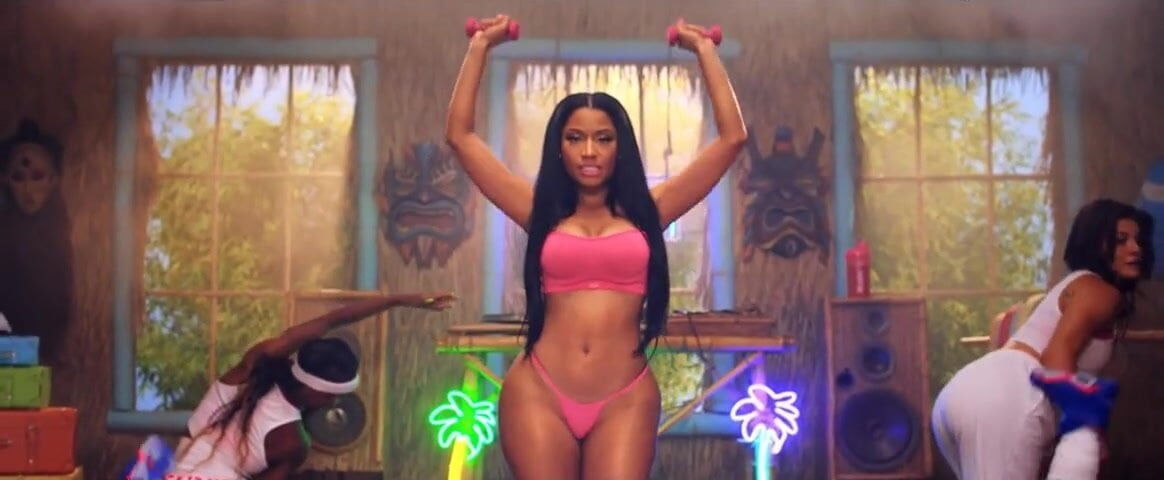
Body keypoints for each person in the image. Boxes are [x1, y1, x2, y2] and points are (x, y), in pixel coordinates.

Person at [445, 15, 746, 480]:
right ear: (559, 148)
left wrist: (705, 51)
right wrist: (480, 46)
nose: (589, 151)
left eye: (603, 139)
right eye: (575, 138)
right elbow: (460, 136)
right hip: (539, 392)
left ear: (620, 148)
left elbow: (732, 138)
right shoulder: (538, 211)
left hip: (625, 397)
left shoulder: (650, 212)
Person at [930, 198, 1154, 480]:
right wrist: (1087, 429)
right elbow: (1056, 355)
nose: (1135, 248)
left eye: (1137, 239)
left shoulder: (1079, 285)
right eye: (1121, 240)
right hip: (1010, 394)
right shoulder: (1100, 291)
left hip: (967, 392)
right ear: (1098, 244)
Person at [165, 292, 455, 480]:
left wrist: (398, 299)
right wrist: (398, 300)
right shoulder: (292, 441)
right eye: (332, 396)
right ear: (318, 390)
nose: (333, 403)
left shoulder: (249, 371)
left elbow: (330, 321)